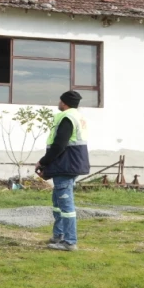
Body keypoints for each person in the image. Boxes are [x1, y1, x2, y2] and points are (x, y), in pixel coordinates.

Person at [36, 90, 90, 251]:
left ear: (64, 103)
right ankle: (58, 236)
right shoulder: (77, 117)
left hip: (65, 165)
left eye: (60, 101)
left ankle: (70, 241)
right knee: (58, 203)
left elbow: (59, 145)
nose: (58, 103)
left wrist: (43, 162)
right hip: (71, 164)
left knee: (66, 206)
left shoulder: (67, 118)